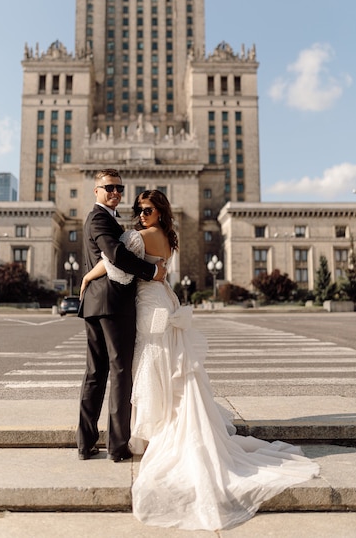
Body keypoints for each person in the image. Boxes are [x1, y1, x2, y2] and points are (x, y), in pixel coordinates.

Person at [80, 189, 320, 531]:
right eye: (139, 209)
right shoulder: (168, 238)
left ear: (160, 211)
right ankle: (165, 423)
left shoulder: (139, 236)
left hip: (149, 306)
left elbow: (115, 262)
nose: (142, 213)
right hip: (165, 300)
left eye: (147, 209)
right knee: (170, 364)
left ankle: (158, 429)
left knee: (152, 363)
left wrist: (87, 277)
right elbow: (154, 268)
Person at [77, 169, 166, 463]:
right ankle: (116, 446)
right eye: (109, 187)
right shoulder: (99, 218)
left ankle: (86, 443)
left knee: (96, 373)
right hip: (113, 305)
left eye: (119, 188)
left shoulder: (107, 219)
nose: (115, 192)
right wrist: (152, 272)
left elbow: (108, 257)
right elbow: (115, 255)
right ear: (96, 191)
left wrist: (88, 276)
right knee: (119, 373)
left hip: (96, 304)